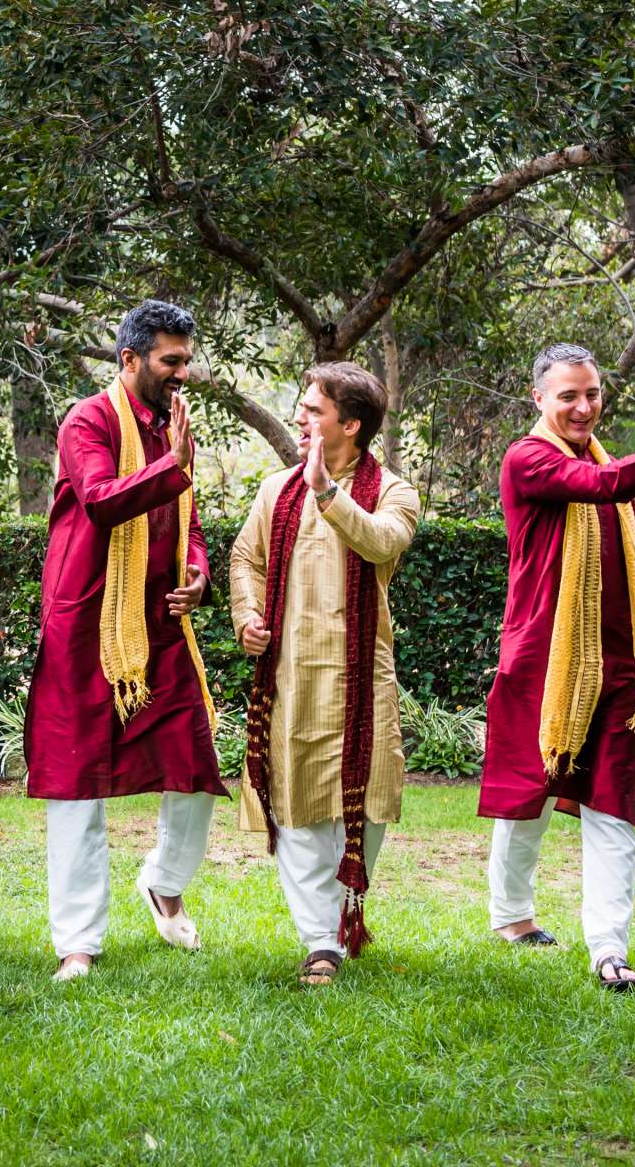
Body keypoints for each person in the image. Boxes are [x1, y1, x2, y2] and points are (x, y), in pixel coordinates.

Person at [479, 343, 635, 993]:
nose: (584, 406)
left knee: (615, 802)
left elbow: (624, 574)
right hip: (544, 661)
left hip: (620, 666)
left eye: (592, 393)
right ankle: (511, 915)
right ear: (539, 399)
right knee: (527, 798)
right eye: (568, 395)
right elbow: (610, 485)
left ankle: (609, 951)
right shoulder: (529, 459)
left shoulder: (599, 460)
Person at [26, 299, 223, 981]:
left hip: (161, 628)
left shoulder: (173, 424)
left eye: (186, 361)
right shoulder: (89, 419)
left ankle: (164, 882)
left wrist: (196, 571)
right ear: (130, 359)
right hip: (87, 623)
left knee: (195, 763)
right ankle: (78, 943)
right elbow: (105, 499)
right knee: (77, 782)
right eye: (171, 361)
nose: (182, 374)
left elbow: (187, 515)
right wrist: (174, 463)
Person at [231, 363, 420, 986]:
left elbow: (382, 543)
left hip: (362, 678)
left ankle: (341, 916)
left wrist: (327, 494)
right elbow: (245, 558)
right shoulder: (273, 491)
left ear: (351, 423)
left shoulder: (394, 491)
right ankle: (320, 941)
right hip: (291, 675)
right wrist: (249, 616)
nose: (302, 418)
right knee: (296, 806)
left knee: (365, 809)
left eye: (313, 409)